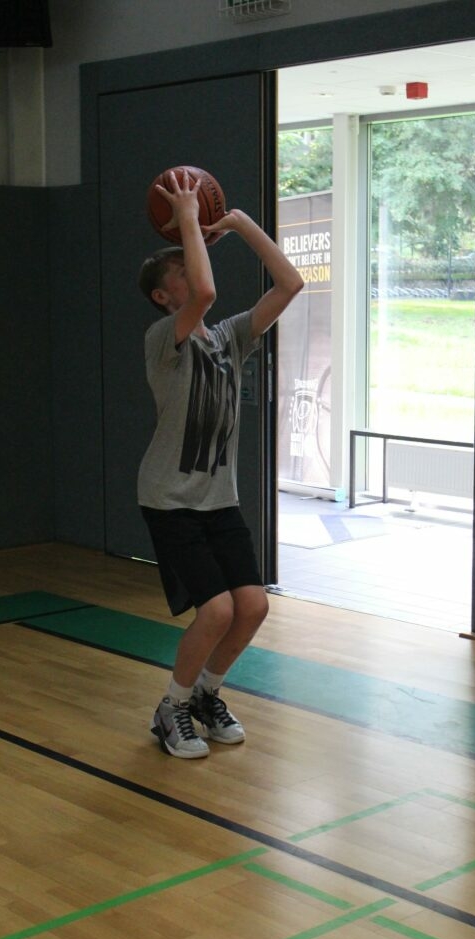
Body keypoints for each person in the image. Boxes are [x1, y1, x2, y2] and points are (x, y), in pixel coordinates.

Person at [137, 170, 303, 758]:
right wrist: (188, 216)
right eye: (181, 270)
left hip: (218, 499)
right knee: (216, 610)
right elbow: (203, 294)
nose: (193, 272)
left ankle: (207, 694)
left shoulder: (230, 338)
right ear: (163, 297)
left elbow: (290, 283)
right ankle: (172, 708)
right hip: (170, 500)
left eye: (192, 263)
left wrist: (238, 223)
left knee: (252, 606)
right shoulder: (164, 338)